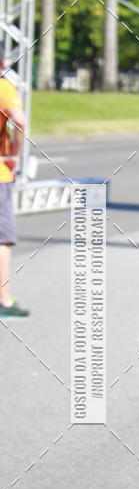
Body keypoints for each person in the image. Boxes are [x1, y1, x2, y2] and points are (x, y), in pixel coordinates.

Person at [0, 44, 28, 318]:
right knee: (2, 239)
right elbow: (19, 121)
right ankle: (3, 300)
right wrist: (13, 154)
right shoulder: (4, 87)